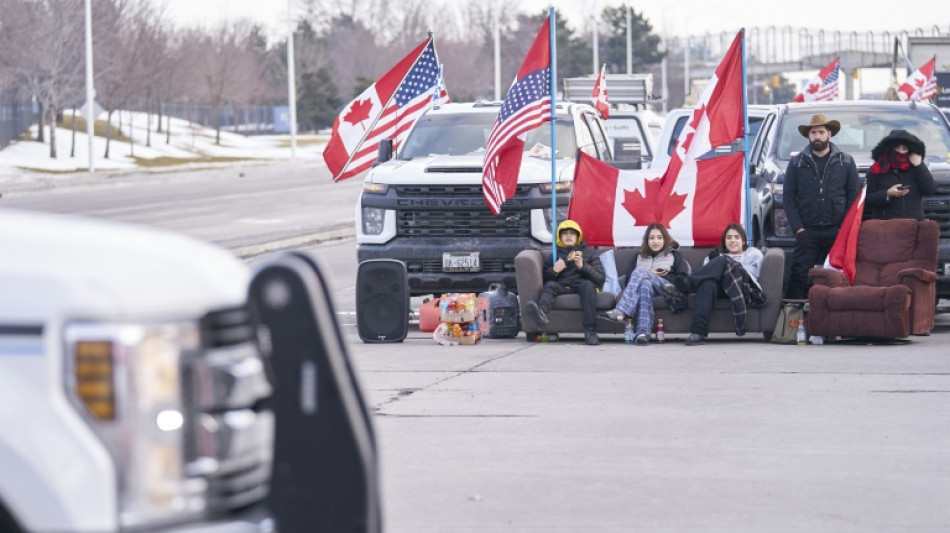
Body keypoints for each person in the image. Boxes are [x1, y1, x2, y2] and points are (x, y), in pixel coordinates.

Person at [783, 114, 861, 300]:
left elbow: (854, 197)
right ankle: (793, 321)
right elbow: (788, 198)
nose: (817, 136)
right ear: (808, 136)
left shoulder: (846, 161)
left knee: (837, 276)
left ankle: (837, 318)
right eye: (813, 133)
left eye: (821, 132)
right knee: (799, 276)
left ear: (829, 134)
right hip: (807, 231)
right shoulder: (796, 163)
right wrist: (798, 228)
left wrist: (844, 228)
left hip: (836, 231)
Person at [663, 224, 766, 346]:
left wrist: (731, 264)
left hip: (744, 287)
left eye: (736, 237)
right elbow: (706, 276)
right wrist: (718, 262)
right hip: (723, 289)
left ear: (743, 241)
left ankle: (683, 287)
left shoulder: (752, 253)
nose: (732, 240)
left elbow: (760, 275)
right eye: (729, 238)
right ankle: (698, 331)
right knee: (707, 284)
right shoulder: (714, 257)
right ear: (724, 241)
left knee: (725, 260)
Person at [600, 223, 690, 345]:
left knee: (640, 271)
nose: (655, 241)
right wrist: (648, 275)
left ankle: (622, 310)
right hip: (648, 290)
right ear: (647, 240)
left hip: (668, 290)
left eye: (659, 237)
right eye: (651, 238)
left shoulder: (674, 255)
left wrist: (657, 275)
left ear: (665, 239)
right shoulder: (638, 256)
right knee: (645, 284)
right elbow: (628, 281)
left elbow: (682, 278)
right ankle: (643, 333)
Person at [524, 219, 606, 345]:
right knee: (550, 286)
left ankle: (590, 331)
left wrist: (583, 266)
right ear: (559, 237)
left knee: (588, 285)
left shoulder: (589, 252)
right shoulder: (555, 255)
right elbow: (545, 280)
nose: (568, 236)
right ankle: (541, 313)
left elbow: (600, 278)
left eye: (572, 233)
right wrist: (555, 270)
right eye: (565, 233)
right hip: (563, 286)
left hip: (583, 285)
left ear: (578, 236)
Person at [863, 129, 936, 221]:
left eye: (904, 148)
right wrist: (887, 194)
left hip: (914, 225)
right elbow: (867, 200)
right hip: (885, 226)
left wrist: (920, 165)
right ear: (890, 149)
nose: (901, 151)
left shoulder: (916, 168)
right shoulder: (877, 169)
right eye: (897, 147)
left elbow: (930, 190)